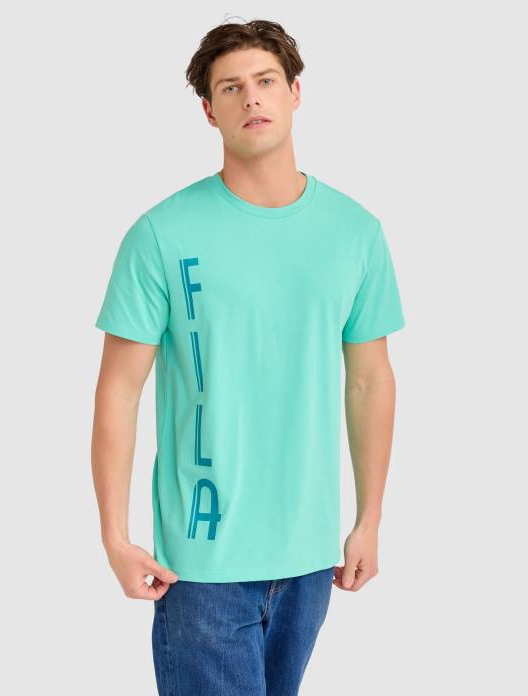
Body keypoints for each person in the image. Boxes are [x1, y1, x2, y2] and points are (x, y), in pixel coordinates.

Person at [91, 18, 406, 696]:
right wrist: (115, 536)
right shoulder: (161, 234)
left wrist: (368, 520)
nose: (251, 97)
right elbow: (119, 389)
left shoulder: (355, 232)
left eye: (265, 81)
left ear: (295, 93)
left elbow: (369, 380)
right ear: (210, 110)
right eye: (230, 87)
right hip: (201, 564)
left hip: (309, 557)